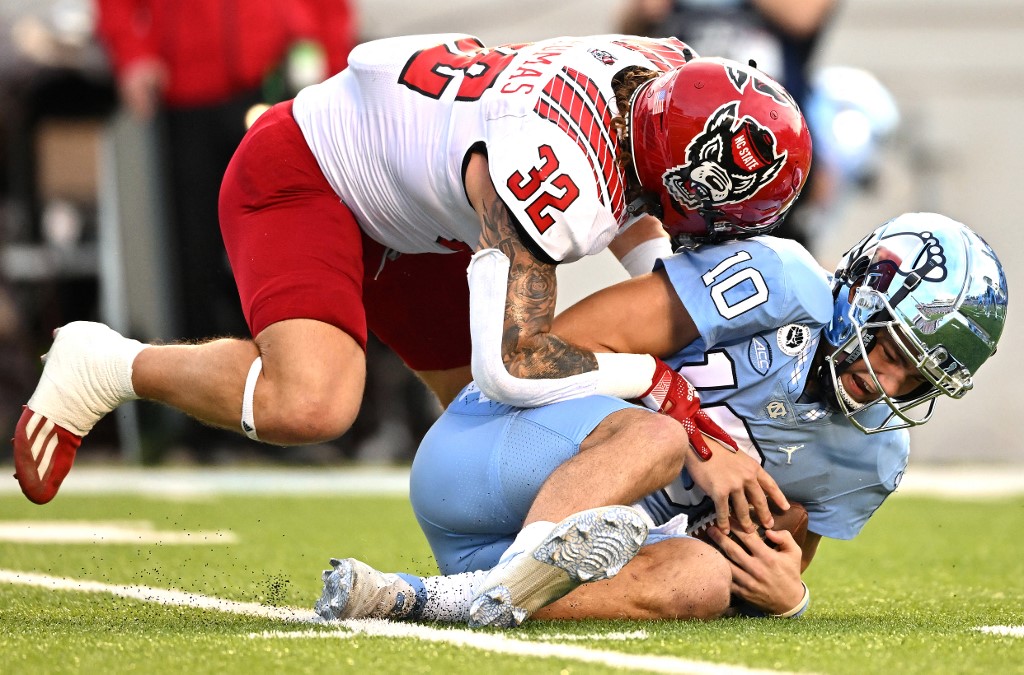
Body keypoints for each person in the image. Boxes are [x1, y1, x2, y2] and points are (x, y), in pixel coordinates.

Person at [12, 33, 812, 506]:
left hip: (425, 209)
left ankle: (523, 546)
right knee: (315, 402)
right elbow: (515, 363)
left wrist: (673, 295)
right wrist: (660, 379)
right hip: (311, 173)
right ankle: (107, 363)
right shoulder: (553, 166)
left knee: (476, 424)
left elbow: (645, 200)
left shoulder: (659, 74)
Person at [313, 212, 1008, 627]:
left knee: (705, 579)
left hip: (530, 551)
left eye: (917, 377)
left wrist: (787, 594)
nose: (886, 381)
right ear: (864, 288)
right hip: (489, 451)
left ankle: (427, 597)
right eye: (890, 348)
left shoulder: (874, 454)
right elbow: (551, 347)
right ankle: (515, 571)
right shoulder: (782, 281)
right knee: (662, 438)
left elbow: (763, 555)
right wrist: (696, 435)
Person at [94, 0, 357, 341]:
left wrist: (335, 67)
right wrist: (132, 53)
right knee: (194, 252)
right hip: (188, 93)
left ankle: (289, 361)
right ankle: (198, 377)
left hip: (277, 81)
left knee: (284, 245)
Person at [618, 0, 837, 247]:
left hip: (771, 136)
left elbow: (802, 17)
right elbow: (632, 32)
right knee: (675, 259)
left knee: (774, 255)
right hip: (683, 131)